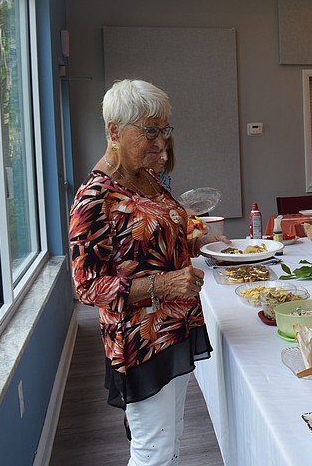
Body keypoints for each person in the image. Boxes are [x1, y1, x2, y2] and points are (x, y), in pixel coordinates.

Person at [69, 79, 225, 465]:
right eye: (150, 131)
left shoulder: (149, 178)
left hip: (175, 327)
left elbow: (157, 239)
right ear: (114, 131)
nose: (161, 142)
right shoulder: (94, 199)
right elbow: (87, 286)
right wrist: (167, 282)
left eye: (164, 129)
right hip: (140, 340)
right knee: (152, 450)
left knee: (171, 441)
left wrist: (193, 242)